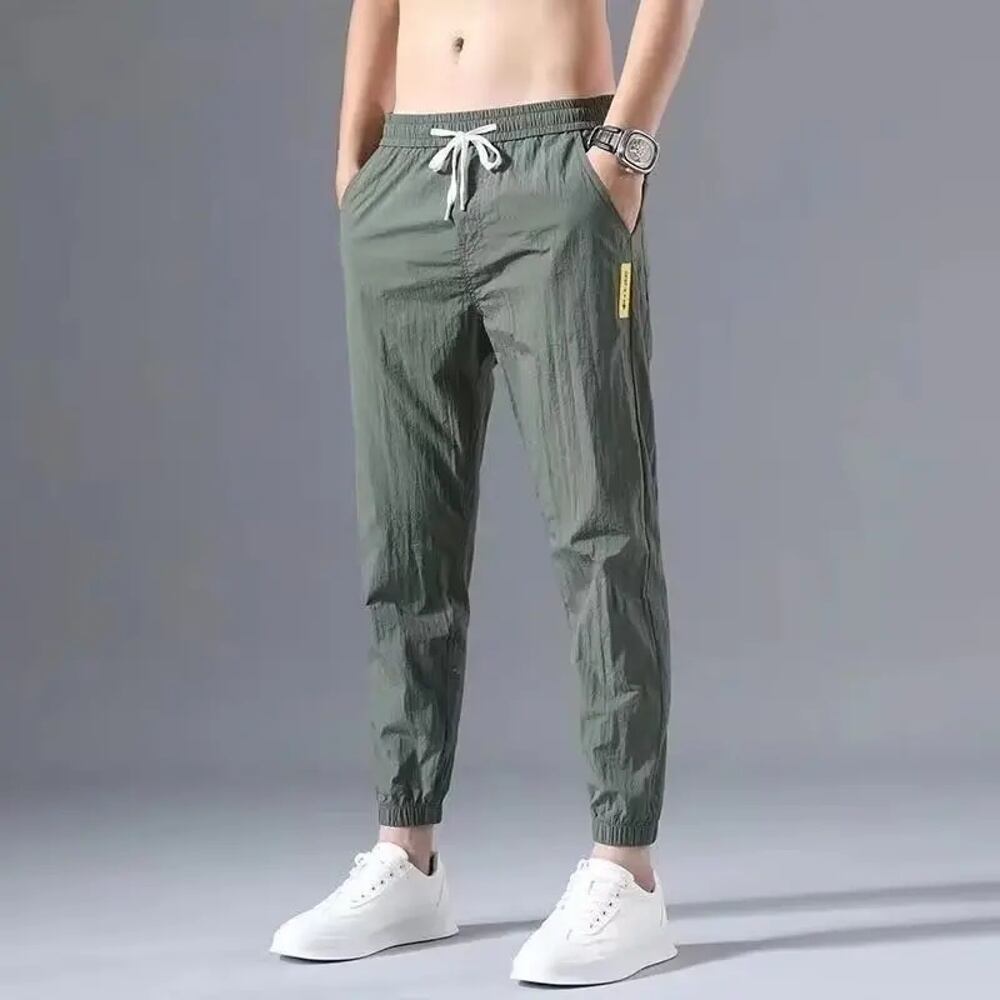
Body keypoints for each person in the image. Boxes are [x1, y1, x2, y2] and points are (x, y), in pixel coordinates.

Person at [271, 0, 704, 985]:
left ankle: (626, 869)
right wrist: (356, 158)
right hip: (404, 179)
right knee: (404, 534)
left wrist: (623, 152)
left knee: (601, 530)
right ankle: (407, 853)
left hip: (558, 165)